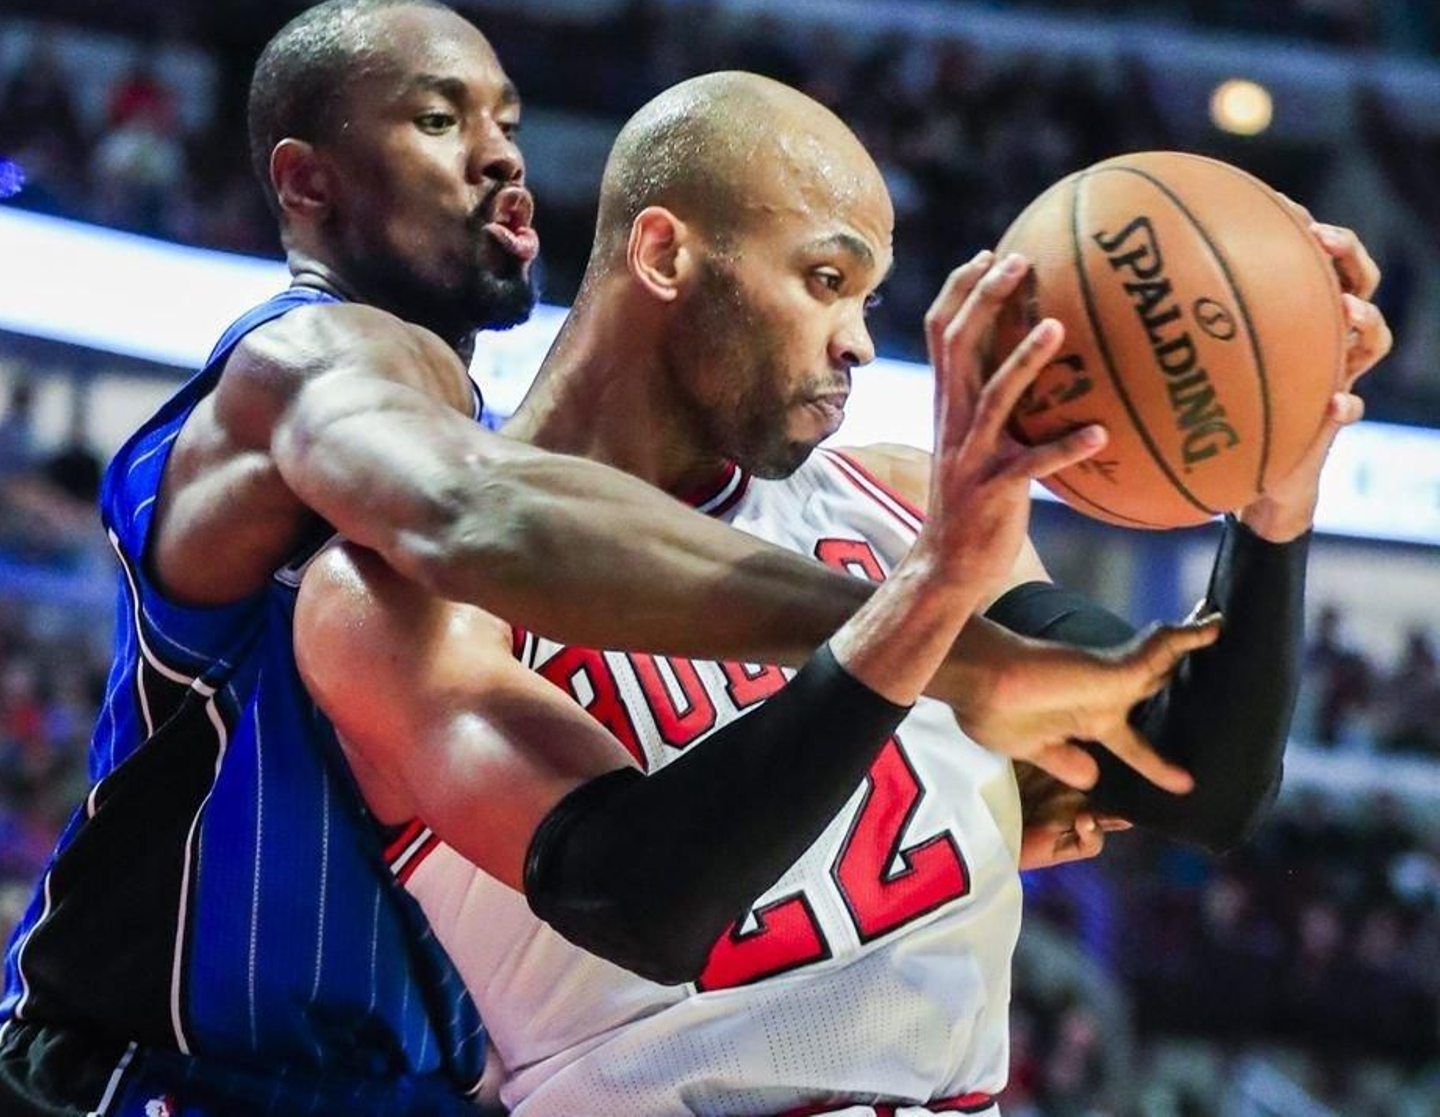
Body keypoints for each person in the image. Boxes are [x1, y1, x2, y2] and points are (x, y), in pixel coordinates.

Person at [0, 0, 1203, 1117]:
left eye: (508, 116)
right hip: (145, 1075)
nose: (500, 151)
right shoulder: (299, 364)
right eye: (439, 119)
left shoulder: (526, 466)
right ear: (307, 183)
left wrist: (923, 776)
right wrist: (933, 645)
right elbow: (472, 517)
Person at [295, 73, 1390, 1115]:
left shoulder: (898, 501)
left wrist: (1276, 488)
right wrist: (924, 598)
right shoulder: (404, 589)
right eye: (826, 280)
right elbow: (640, 898)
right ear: (666, 252)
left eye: (867, 297)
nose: (859, 338)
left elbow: (1197, 780)